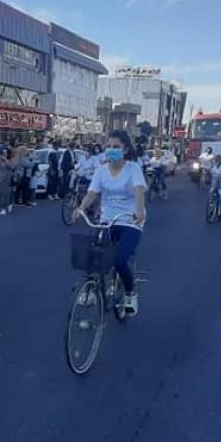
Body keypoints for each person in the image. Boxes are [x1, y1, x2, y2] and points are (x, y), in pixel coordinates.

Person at [74, 130, 146, 317]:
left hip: (130, 220)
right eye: (109, 146)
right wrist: (80, 208)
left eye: (116, 147)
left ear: (125, 149)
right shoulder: (101, 171)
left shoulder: (133, 168)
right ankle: (91, 289)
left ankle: (130, 294)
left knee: (119, 260)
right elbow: (92, 194)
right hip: (107, 220)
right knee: (91, 254)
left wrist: (139, 210)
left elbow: (139, 190)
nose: (111, 150)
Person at [0, 144, 17, 215]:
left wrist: (6, 160)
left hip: (8, 179)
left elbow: (12, 166)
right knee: (1, 194)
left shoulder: (11, 159)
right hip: (1, 179)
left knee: (8, 194)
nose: (4, 153)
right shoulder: (0, 159)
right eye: (3, 151)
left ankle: (8, 205)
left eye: (5, 151)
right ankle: (2, 208)